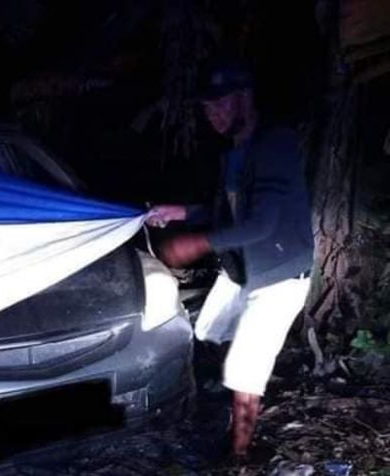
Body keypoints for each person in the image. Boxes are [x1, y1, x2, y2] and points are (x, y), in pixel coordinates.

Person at [147, 61, 313, 457]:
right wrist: (181, 213)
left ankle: (240, 454)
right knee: (206, 330)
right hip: (243, 270)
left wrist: (197, 243)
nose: (213, 115)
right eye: (207, 108)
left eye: (221, 105)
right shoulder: (236, 152)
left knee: (244, 368)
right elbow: (228, 210)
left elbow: (262, 223)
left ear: (245, 99)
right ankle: (239, 379)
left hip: (277, 275)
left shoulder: (274, 145)